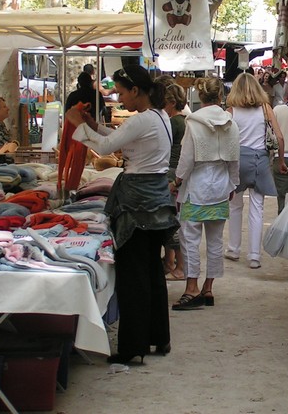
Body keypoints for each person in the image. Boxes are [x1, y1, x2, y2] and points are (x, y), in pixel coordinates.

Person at [65, 64, 177, 364]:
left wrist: (78, 124)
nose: (119, 98)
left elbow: (104, 147)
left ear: (136, 91)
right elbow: (120, 136)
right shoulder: (159, 116)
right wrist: (92, 123)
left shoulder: (143, 120)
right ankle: (157, 337)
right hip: (154, 199)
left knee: (133, 274)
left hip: (137, 201)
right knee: (151, 271)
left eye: (122, 92)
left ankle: (132, 347)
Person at [169, 77, 239, 310]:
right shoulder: (231, 123)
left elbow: (186, 158)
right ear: (221, 96)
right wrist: (232, 184)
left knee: (190, 239)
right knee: (216, 240)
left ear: (201, 97)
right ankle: (208, 288)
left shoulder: (193, 123)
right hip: (220, 186)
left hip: (196, 186)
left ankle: (191, 288)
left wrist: (177, 181)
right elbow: (234, 160)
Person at [225, 72, 287, 269]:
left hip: (237, 161)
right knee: (257, 208)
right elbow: (280, 137)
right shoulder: (265, 108)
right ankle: (254, 256)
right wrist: (281, 161)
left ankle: (234, 249)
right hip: (259, 160)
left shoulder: (231, 111)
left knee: (235, 206)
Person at [162, 82, 187, 281]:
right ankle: (170, 262)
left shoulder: (173, 122)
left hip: (171, 171)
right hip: (176, 170)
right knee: (172, 219)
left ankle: (179, 266)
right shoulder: (184, 120)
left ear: (171, 102)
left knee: (171, 222)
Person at [272, 85, 288, 214]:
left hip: (281, 157)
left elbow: (272, 134)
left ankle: (284, 230)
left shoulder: (277, 110)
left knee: (283, 197)